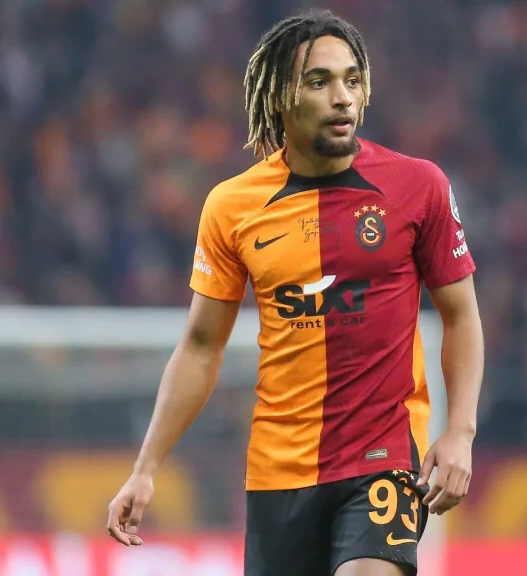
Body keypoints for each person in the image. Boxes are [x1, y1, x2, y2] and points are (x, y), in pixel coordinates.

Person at [105, 8, 484, 576]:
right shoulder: (232, 206)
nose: (342, 98)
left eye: (352, 80)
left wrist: (459, 432)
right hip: (278, 472)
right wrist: (145, 467)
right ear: (281, 96)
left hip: (383, 459)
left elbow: (461, 316)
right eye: (319, 82)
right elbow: (201, 346)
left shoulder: (418, 186)